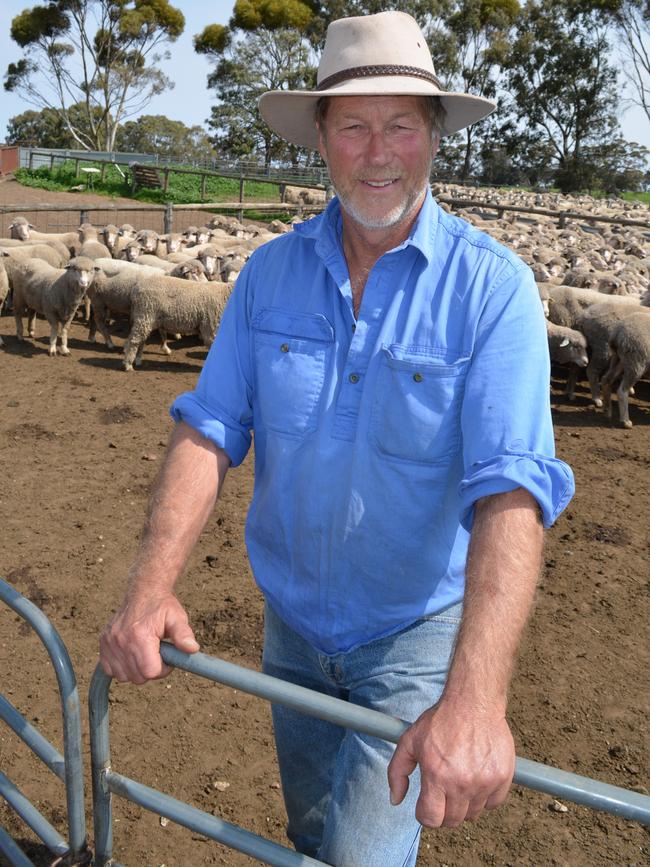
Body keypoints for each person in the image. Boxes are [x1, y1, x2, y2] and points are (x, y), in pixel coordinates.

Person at [100, 10, 575, 866]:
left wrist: (473, 697)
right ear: (319, 137)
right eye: (353, 125)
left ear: (435, 136)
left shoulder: (493, 291)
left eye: (402, 124)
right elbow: (207, 431)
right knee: (311, 835)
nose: (378, 151)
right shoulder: (268, 275)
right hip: (291, 630)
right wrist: (149, 586)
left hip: (412, 635)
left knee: (361, 855)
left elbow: (511, 487)